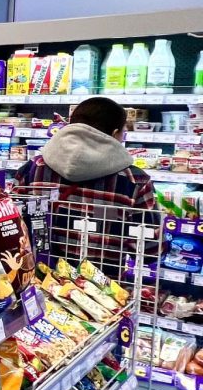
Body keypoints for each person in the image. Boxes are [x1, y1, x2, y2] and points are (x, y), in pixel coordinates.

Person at [13, 96, 158, 265]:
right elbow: (150, 251)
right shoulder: (135, 180)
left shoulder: (32, 169)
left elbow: (11, 227)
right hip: (101, 280)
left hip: (38, 276)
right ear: (114, 134)